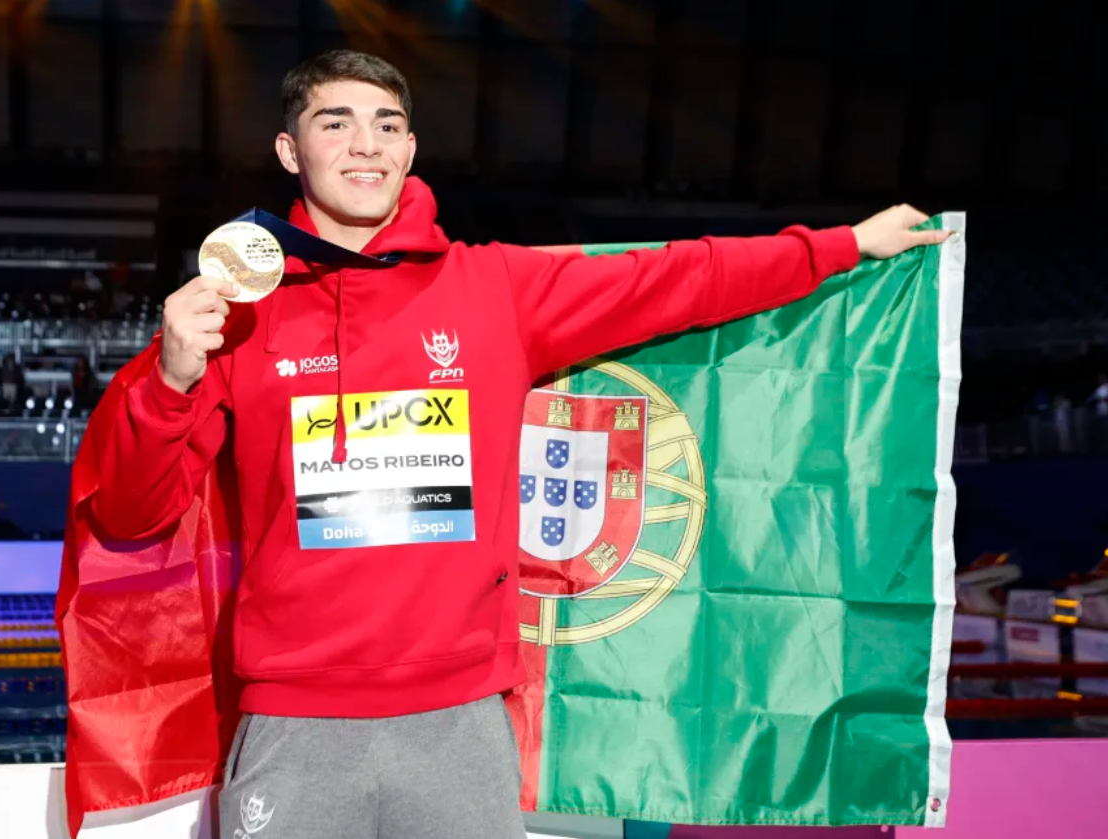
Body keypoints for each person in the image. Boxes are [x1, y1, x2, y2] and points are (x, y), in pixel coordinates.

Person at [88, 49, 952, 839]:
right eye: (335, 122)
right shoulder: (237, 315)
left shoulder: (494, 287)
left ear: (411, 148)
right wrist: (169, 380)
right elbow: (133, 511)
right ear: (289, 151)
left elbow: (682, 276)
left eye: (387, 125)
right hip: (295, 724)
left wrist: (841, 246)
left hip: (459, 724)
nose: (365, 145)